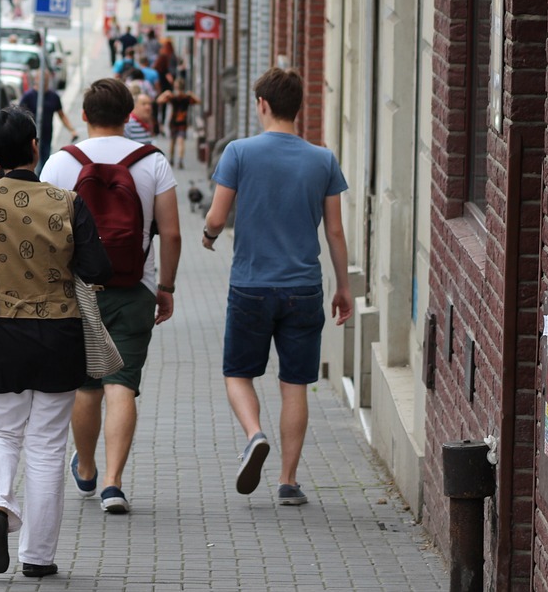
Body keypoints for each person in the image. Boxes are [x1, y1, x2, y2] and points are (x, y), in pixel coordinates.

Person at [0, 108, 112, 578]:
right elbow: (99, 270)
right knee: (46, 446)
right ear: (36, 147)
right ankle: (37, 557)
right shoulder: (66, 201)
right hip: (57, 336)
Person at [201, 67, 352, 506]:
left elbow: (215, 217)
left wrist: (208, 239)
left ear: (262, 105)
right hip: (304, 288)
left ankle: (254, 434)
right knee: (294, 384)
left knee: (238, 373)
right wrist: (342, 287)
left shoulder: (239, 153)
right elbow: (336, 232)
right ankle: (288, 481)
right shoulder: (323, 160)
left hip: (250, 285)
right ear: (297, 108)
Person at [40, 78, 181, 515]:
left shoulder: (60, 164)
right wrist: (166, 287)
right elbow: (172, 232)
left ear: (84, 116)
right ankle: (114, 485)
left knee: (87, 386)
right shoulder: (152, 162)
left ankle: (85, 468)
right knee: (122, 384)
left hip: (78, 290)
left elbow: (45, 236)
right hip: (135, 287)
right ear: (128, 118)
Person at [18, 69, 78, 169]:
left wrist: (72, 130)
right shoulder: (28, 96)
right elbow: (19, 116)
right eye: (42, 79)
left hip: (46, 136)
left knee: (44, 163)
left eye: (46, 79)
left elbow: (62, 115)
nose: (44, 82)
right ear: (36, 79)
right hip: (30, 137)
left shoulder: (54, 97)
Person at [158, 82, 201, 168]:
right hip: (182, 122)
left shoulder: (173, 97)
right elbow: (199, 101)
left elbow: (159, 100)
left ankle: (173, 159)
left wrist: (165, 93)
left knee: (173, 141)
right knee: (179, 141)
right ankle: (179, 160)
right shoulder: (186, 97)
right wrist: (191, 94)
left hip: (174, 122)